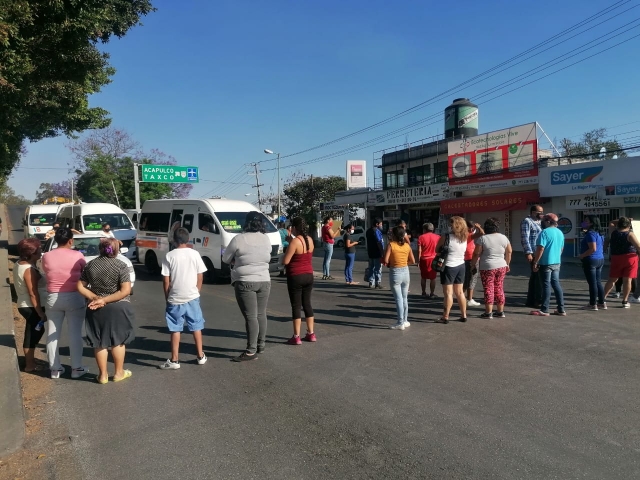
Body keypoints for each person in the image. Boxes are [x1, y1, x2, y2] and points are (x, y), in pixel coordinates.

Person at [77, 238, 135, 383]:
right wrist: (105, 299)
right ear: (115, 250)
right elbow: (125, 290)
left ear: (100, 249)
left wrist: (94, 297)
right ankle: (118, 373)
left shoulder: (90, 265)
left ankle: (102, 375)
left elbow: (79, 286)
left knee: (99, 341)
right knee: (118, 340)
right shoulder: (121, 265)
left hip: (95, 308)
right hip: (118, 306)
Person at [222, 213, 272, 361]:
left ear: (247, 223)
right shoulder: (266, 238)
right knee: (261, 314)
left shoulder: (238, 239)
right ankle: (261, 345)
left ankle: (251, 351)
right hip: (265, 280)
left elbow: (225, 259)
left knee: (251, 316)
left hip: (245, 281)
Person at [41, 228, 90, 379]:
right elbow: (84, 273)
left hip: (53, 297)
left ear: (55, 240)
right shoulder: (78, 255)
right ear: (70, 240)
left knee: (52, 333)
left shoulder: (46, 256)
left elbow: (46, 273)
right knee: (75, 333)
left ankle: (55, 369)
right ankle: (76, 368)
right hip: (74, 296)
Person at [159, 227, 208, 369]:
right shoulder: (195, 254)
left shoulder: (169, 256)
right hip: (192, 296)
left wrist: (167, 296)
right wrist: (197, 290)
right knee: (196, 326)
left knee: (175, 328)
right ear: (188, 239)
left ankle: (174, 360)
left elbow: (166, 280)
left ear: (174, 240)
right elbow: (200, 275)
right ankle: (200, 356)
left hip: (175, 298)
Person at [14, 238, 47, 372]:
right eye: (39, 249)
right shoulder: (29, 269)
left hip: (25, 304)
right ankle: (29, 365)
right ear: (32, 252)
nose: (41, 251)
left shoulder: (20, 263)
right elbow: (33, 293)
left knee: (33, 332)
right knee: (32, 334)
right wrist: (40, 312)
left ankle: (30, 362)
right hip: (30, 306)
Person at [282, 217, 316, 345]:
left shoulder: (295, 242)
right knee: (307, 304)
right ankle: (311, 333)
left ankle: (296, 336)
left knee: (296, 305)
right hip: (308, 275)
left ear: (295, 228)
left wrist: (288, 246)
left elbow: (286, 261)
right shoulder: (310, 240)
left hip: (296, 276)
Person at [471, 218, 512, 319]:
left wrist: (472, 264)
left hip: (487, 267)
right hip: (501, 265)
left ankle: (488, 312)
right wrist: (507, 263)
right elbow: (509, 251)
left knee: (489, 288)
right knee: (499, 287)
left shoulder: (483, 239)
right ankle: (500, 311)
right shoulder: (503, 237)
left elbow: (476, 253)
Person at [530, 214, 566, 317]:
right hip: (556, 262)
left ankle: (545, 309)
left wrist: (535, 262)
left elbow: (540, 249)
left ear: (547, 221)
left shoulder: (544, 232)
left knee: (546, 285)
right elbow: (561, 249)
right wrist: (556, 257)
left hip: (545, 263)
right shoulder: (560, 233)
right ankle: (561, 309)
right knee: (556, 284)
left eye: (543, 220)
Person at [435, 216, 468, 324]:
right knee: (460, 292)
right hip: (461, 265)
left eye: (451, 224)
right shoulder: (465, 237)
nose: (449, 226)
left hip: (449, 266)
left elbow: (437, 249)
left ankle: (445, 316)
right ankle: (463, 315)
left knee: (448, 293)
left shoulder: (446, 237)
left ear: (454, 225)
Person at [603, 217, 640, 308]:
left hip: (616, 258)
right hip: (629, 258)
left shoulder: (613, 232)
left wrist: (622, 220)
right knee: (628, 279)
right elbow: (638, 247)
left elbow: (611, 222)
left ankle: (602, 298)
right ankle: (625, 301)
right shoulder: (630, 234)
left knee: (612, 279)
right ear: (628, 225)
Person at [383, 226, 415, 330]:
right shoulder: (407, 246)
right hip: (406, 272)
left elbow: (386, 260)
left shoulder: (391, 245)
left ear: (394, 235)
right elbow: (413, 261)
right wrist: (404, 263)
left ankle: (400, 322)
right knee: (404, 298)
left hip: (395, 272)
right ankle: (405, 320)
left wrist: (393, 262)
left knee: (398, 299)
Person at [577, 215, 606, 310]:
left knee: (592, 283)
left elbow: (592, 248)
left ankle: (592, 304)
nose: (584, 222)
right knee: (598, 282)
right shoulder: (600, 233)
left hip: (591, 259)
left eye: (586, 221)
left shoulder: (591, 234)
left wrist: (582, 255)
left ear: (591, 223)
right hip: (600, 259)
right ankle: (601, 302)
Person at [521, 204, 544, 308]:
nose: (541, 214)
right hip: (534, 253)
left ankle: (531, 300)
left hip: (540, 252)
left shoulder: (540, 222)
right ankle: (536, 300)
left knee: (535, 277)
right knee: (538, 278)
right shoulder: (527, 221)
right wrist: (528, 252)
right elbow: (525, 237)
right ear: (533, 212)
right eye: (539, 212)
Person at [464, 220, 485, 307]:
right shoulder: (469, 235)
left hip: (464, 258)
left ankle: (462, 296)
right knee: (472, 279)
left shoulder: (462, 234)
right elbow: (482, 233)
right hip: (471, 258)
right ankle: (469, 299)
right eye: (471, 228)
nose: (472, 229)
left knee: (465, 279)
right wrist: (478, 227)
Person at [417, 223, 440, 298]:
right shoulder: (438, 237)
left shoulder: (421, 237)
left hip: (424, 259)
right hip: (434, 259)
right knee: (433, 278)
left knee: (423, 277)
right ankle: (432, 293)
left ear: (424, 229)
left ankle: (423, 292)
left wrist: (418, 260)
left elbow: (419, 250)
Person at [366, 218, 385, 289]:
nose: (381, 226)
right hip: (377, 252)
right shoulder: (376, 231)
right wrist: (382, 252)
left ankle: (371, 282)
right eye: (381, 224)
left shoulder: (368, 231)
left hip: (370, 252)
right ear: (377, 224)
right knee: (378, 268)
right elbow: (379, 242)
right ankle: (378, 282)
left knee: (371, 267)